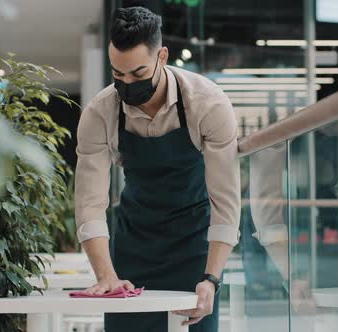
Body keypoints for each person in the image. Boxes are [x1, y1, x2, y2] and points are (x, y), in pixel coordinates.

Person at [74, 6, 241, 332]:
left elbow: (226, 202)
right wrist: (106, 274)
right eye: (117, 74)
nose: (127, 84)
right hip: (134, 249)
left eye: (137, 74)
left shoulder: (208, 104)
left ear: (162, 56)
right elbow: (90, 203)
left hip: (194, 249)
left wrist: (211, 278)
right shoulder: (100, 113)